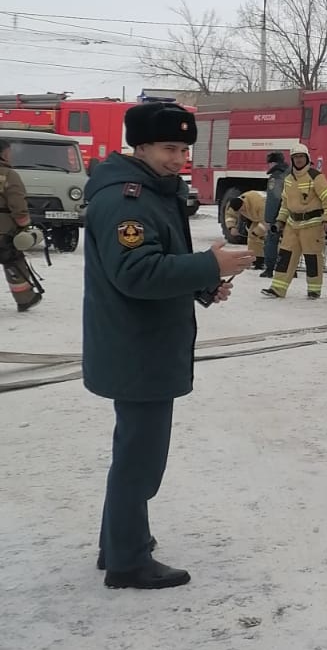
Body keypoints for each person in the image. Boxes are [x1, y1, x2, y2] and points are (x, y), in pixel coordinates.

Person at [83, 101, 253, 589]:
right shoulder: (128, 200)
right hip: (137, 347)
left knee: (135, 453)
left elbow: (163, 258)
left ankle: (119, 540)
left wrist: (201, 285)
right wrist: (209, 267)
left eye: (184, 149)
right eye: (168, 148)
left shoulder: (155, 192)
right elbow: (135, 272)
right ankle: (127, 561)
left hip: (143, 342)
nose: (179, 159)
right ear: (139, 146)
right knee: (141, 459)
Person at [263, 145, 327, 300]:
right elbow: (285, 205)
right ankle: (277, 288)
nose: (299, 160)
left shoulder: (316, 176)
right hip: (292, 225)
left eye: (301, 156)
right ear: (292, 160)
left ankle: (314, 290)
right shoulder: (288, 180)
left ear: (307, 158)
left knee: (312, 258)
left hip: (312, 225)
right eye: (296, 157)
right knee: (285, 257)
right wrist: (280, 221)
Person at [0, 137, 42, 313]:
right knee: (13, 262)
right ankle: (25, 298)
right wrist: (24, 225)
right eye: (9, 152)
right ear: (3, 153)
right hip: (3, 230)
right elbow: (17, 204)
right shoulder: (8, 175)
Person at [261, 150, 287, 280]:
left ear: (273, 163)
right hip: (290, 214)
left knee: (271, 241)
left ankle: (269, 268)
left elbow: (273, 199)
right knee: (289, 243)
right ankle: (289, 269)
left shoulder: (275, 177)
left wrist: (269, 219)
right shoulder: (290, 173)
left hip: (277, 215)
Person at [225, 190, 268, 267]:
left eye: (242, 210)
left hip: (272, 215)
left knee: (276, 238)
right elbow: (230, 216)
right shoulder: (233, 204)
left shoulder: (260, 204)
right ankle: (258, 260)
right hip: (258, 217)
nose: (241, 212)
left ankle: (280, 261)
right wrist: (231, 227)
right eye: (239, 211)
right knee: (252, 238)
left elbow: (266, 222)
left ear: (244, 203)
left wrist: (256, 233)